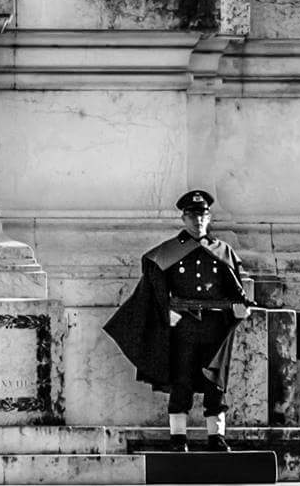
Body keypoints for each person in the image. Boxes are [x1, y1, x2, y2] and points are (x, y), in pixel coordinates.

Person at [104, 189, 253, 452]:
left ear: (209, 218)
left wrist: (241, 308)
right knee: (181, 380)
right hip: (184, 328)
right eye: (193, 216)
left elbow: (237, 291)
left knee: (215, 382)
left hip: (215, 328)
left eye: (203, 215)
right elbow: (155, 281)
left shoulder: (223, 251)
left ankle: (216, 436)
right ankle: (178, 437)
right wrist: (166, 311)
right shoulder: (170, 251)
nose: (198, 221)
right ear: (183, 218)